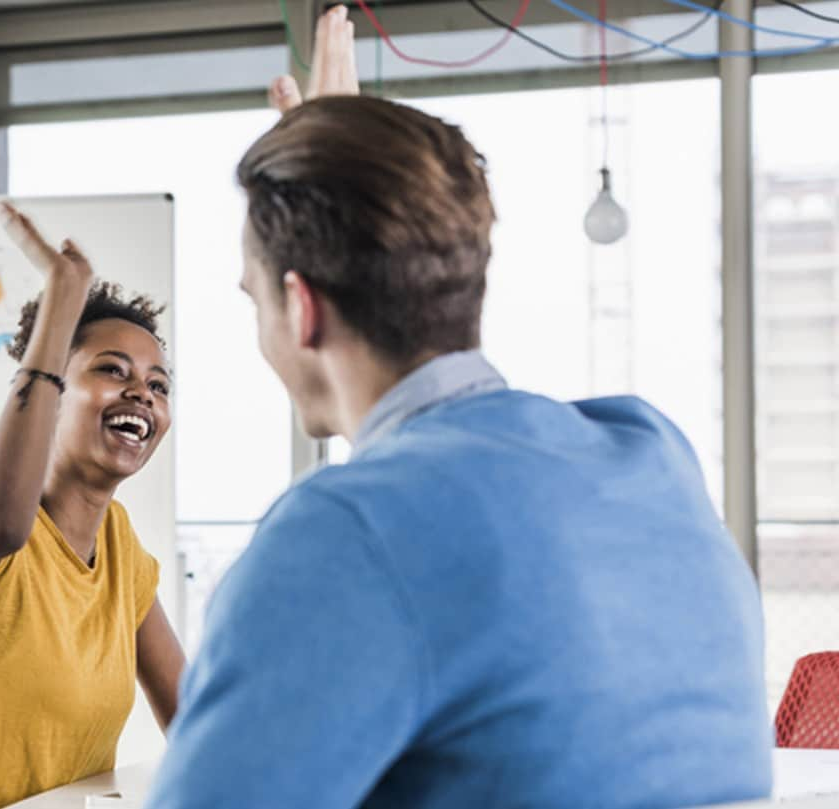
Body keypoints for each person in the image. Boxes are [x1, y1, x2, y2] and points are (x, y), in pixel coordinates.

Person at [145, 6, 772, 808]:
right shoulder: (649, 454)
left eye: (253, 298)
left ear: (301, 309)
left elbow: (398, 518)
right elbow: (452, 477)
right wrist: (345, 177)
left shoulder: (340, 536)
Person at [0, 202, 186, 809]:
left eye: (158, 384)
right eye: (112, 370)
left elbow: (192, 718)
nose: (142, 394)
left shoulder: (121, 549)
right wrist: (61, 305)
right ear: (51, 390)